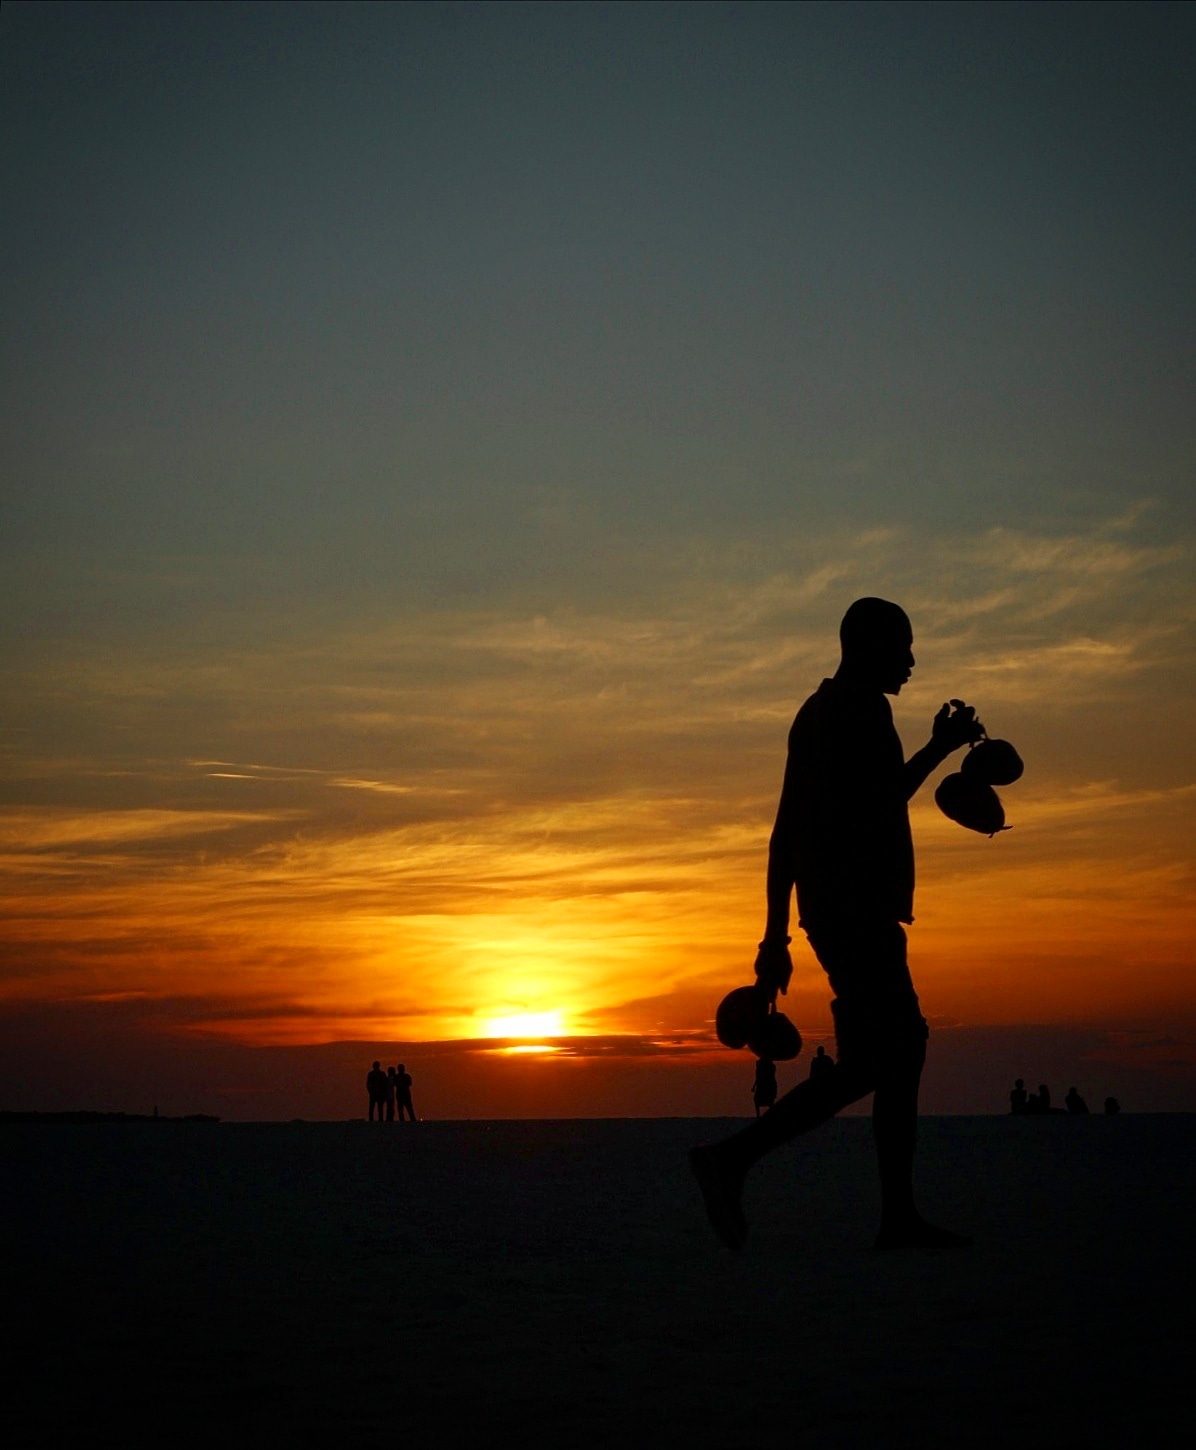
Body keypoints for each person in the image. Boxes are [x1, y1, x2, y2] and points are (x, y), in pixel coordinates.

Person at [690, 597, 983, 1250]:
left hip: (829, 913)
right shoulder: (862, 710)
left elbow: (783, 833)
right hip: (857, 912)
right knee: (894, 1052)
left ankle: (888, 1213)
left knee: (883, 1059)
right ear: (868, 646)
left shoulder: (813, 712)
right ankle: (735, 1161)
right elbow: (880, 804)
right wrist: (942, 747)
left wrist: (776, 934)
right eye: (901, 646)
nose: (910, 660)